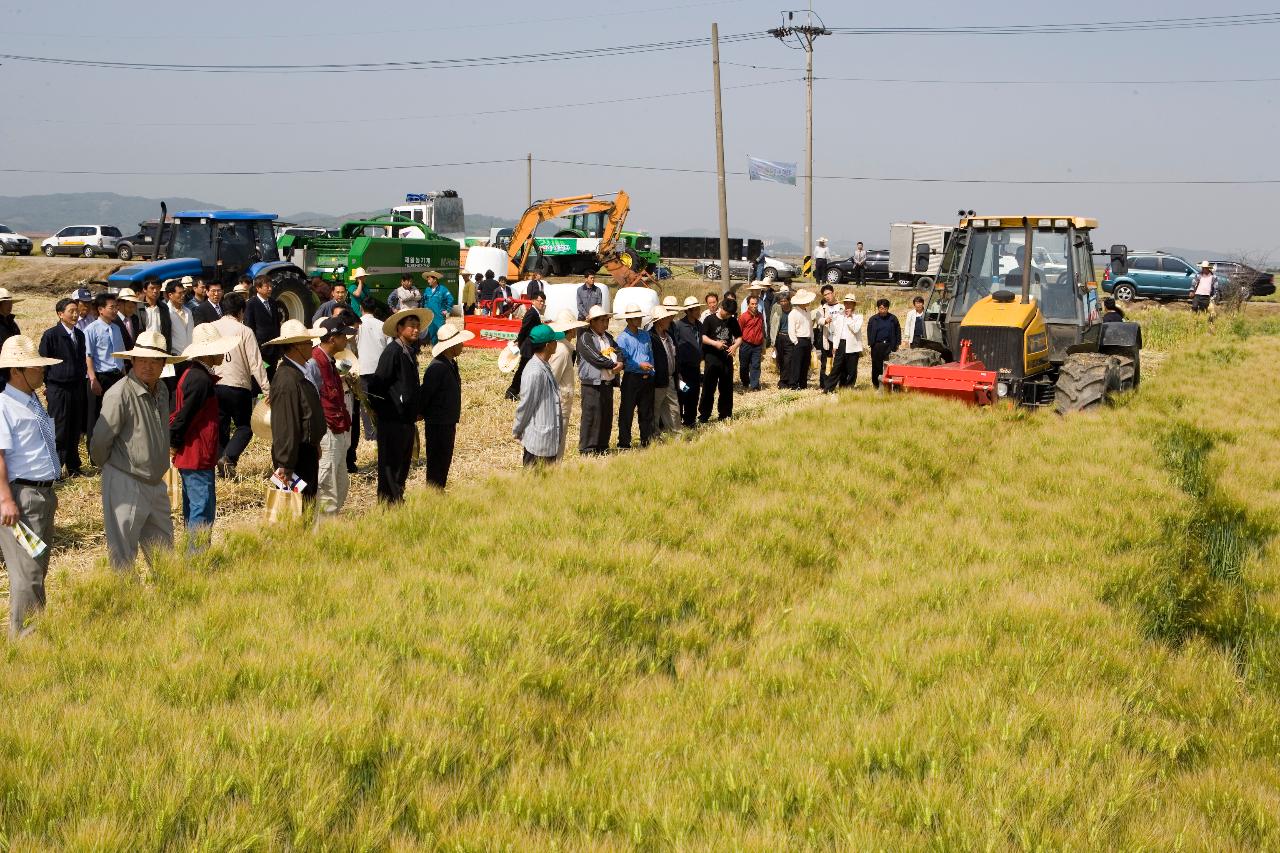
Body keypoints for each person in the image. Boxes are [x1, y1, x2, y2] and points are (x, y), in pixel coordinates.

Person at [89, 330, 175, 571]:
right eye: (143, 360)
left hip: (156, 482)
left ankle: (170, 604)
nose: (149, 366)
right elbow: (100, 441)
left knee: (164, 554)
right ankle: (126, 605)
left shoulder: (162, 390)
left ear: (164, 364)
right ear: (132, 361)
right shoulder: (119, 394)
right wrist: (111, 468)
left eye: (155, 361)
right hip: (126, 480)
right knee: (123, 555)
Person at [0, 336, 63, 636]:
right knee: (27, 573)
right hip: (21, 497)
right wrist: (5, 500)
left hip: (42, 495)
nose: (41, 372)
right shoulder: (4, 405)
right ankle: (25, 639)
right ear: (16, 371)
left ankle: (35, 630)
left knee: (36, 568)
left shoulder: (33, 401)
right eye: (35, 368)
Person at [170, 324, 235, 546]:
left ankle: (195, 555)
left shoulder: (194, 374)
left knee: (195, 507)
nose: (223, 353)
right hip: (196, 453)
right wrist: (174, 443)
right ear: (208, 351)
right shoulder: (199, 379)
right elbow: (183, 418)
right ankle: (197, 559)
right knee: (202, 508)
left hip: (195, 452)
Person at [369, 307, 433, 503]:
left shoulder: (409, 352)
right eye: (411, 326)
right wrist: (390, 410)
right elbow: (376, 387)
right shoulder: (393, 352)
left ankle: (397, 498)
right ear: (399, 329)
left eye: (417, 326)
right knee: (391, 464)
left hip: (405, 420)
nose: (416, 330)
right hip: (393, 421)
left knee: (402, 463)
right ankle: (389, 503)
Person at [263, 320, 326, 505]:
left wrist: (314, 443)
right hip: (295, 458)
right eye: (308, 343)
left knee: (305, 503)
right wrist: (285, 465)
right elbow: (286, 425)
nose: (311, 347)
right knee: (296, 506)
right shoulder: (287, 379)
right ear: (297, 346)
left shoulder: (297, 373)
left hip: (304, 452)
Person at [210, 292, 269, 479]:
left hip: (215, 383)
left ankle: (222, 466)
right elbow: (256, 363)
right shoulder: (244, 331)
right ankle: (228, 458)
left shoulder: (211, 328)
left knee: (221, 426)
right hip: (238, 385)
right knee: (245, 426)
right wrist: (267, 389)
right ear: (241, 311)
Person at [305, 316, 356, 515]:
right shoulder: (314, 363)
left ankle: (329, 527)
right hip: (327, 432)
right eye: (344, 336)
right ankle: (323, 534)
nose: (347, 340)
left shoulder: (327, 361)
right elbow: (309, 399)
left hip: (337, 427)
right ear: (333, 338)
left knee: (339, 484)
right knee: (327, 487)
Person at [419, 323, 474, 488]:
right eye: (459, 342)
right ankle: (433, 494)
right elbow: (425, 395)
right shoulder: (437, 368)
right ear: (451, 347)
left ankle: (438, 491)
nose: (462, 345)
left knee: (444, 461)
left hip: (447, 421)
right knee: (437, 462)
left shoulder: (450, 363)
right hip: (438, 423)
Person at [39, 298, 88, 477]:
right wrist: (48, 385)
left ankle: (74, 467)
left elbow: (82, 361)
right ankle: (55, 469)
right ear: (61, 314)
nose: (75, 314)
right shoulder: (51, 335)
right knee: (59, 428)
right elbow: (43, 363)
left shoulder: (80, 335)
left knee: (75, 427)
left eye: (76, 311)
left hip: (76, 387)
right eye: (71, 311)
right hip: (57, 388)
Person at [513, 324, 564, 466]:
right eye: (554, 341)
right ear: (548, 345)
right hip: (538, 443)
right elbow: (526, 405)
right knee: (533, 484)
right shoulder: (535, 371)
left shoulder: (543, 365)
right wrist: (517, 429)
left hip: (547, 440)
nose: (556, 343)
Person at [576, 305, 621, 455]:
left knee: (606, 416)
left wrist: (620, 362)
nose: (605, 324)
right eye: (602, 321)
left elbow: (619, 350)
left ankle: (602, 446)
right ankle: (587, 448)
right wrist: (614, 365)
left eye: (606, 320)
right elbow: (595, 357)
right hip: (591, 384)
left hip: (607, 383)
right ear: (593, 322)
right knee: (591, 416)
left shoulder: (608, 337)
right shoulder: (585, 338)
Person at [84, 292, 126, 436]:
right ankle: (93, 452)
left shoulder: (116, 329)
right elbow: (88, 356)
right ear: (101, 310)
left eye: (116, 307)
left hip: (117, 377)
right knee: (96, 415)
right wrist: (93, 379)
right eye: (111, 307)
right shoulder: (91, 329)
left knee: (115, 413)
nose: (115, 310)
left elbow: (120, 354)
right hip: (100, 377)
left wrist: (124, 374)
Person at [615, 305, 656, 450]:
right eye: (635, 317)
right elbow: (623, 361)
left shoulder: (645, 335)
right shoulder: (622, 339)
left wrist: (651, 371)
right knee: (627, 412)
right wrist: (640, 366)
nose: (639, 319)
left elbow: (650, 354)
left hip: (646, 377)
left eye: (639, 317)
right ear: (628, 319)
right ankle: (624, 443)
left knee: (646, 411)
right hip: (631, 378)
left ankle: (646, 440)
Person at [354, 297, 389, 466]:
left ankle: (369, 433)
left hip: (363, 367)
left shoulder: (357, 325)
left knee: (364, 403)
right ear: (374, 309)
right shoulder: (382, 325)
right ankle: (381, 430)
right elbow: (389, 346)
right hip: (379, 368)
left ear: (361, 308)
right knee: (380, 400)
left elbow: (353, 345)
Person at [548, 310, 586, 459]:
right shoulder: (562, 351)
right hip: (559, 404)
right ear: (570, 329)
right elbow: (552, 379)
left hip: (561, 402)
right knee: (557, 445)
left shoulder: (564, 348)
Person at [699, 296, 741, 422]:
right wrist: (715, 343)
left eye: (730, 315)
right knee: (708, 388)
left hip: (726, 358)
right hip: (712, 358)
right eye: (726, 313)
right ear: (721, 307)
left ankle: (725, 414)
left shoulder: (732, 321)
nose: (728, 316)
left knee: (726, 388)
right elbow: (703, 337)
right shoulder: (709, 319)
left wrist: (735, 346)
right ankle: (704, 415)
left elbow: (739, 337)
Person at [505, 290, 546, 401]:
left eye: (543, 301)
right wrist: (520, 342)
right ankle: (512, 391)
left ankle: (518, 391)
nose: (542, 303)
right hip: (528, 346)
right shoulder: (531, 313)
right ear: (533, 301)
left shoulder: (536, 312)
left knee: (525, 370)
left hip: (531, 346)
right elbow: (524, 329)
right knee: (522, 370)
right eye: (540, 301)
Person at [649, 303, 681, 435]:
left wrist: (677, 374)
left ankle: (676, 434)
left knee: (674, 408)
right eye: (666, 318)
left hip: (670, 378)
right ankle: (655, 435)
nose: (669, 321)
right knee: (655, 410)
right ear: (659, 321)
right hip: (657, 380)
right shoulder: (650, 337)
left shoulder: (668, 336)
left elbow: (674, 356)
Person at [672, 297, 704, 427]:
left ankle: (691, 420)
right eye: (695, 309)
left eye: (698, 309)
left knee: (694, 394)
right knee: (683, 393)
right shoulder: (679, 326)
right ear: (688, 311)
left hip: (695, 368)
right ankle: (679, 421)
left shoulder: (699, 325)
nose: (698, 311)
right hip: (683, 369)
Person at [243, 274, 283, 376]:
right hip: (261, 349)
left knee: (272, 374)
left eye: (271, 286)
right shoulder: (251, 304)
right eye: (267, 286)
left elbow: (276, 324)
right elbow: (250, 326)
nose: (270, 289)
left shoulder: (273, 302)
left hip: (274, 347)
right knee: (262, 374)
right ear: (258, 288)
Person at [826, 293, 864, 390]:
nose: (848, 305)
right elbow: (836, 332)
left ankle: (848, 388)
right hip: (841, 343)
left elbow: (855, 329)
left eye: (850, 303)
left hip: (853, 345)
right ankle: (829, 388)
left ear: (854, 305)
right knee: (837, 367)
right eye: (846, 303)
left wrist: (850, 317)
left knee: (851, 368)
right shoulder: (839, 316)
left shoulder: (858, 317)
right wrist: (835, 346)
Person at [866, 298, 902, 389]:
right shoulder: (873, 319)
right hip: (877, 346)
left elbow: (898, 331)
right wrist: (871, 343)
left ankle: (889, 384)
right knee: (876, 366)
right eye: (881, 308)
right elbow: (869, 331)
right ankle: (876, 384)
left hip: (889, 346)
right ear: (878, 308)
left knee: (889, 366)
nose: (883, 310)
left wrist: (897, 344)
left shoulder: (893, 318)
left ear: (888, 308)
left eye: (885, 308)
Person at [787, 290, 816, 390]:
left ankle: (803, 384)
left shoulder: (807, 311)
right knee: (796, 364)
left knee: (805, 363)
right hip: (799, 340)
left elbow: (810, 326)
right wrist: (795, 342)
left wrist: (811, 340)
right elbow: (791, 330)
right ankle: (793, 385)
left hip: (807, 340)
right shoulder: (793, 313)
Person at [816, 284, 842, 389]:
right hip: (827, 339)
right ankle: (824, 384)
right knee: (826, 362)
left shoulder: (841, 306)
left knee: (838, 363)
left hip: (840, 339)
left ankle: (837, 383)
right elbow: (818, 319)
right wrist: (824, 320)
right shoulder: (822, 308)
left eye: (828, 293)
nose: (827, 296)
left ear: (833, 293)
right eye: (824, 295)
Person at [738, 293, 765, 392]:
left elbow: (762, 329)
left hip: (757, 345)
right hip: (745, 344)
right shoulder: (743, 317)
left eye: (756, 304)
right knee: (744, 366)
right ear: (748, 304)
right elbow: (738, 332)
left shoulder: (760, 316)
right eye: (752, 304)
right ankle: (745, 382)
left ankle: (754, 385)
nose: (754, 306)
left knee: (756, 365)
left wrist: (763, 343)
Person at [768, 289, 793, 389]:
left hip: (790, 337)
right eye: (781, 301)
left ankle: (784, 381)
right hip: (780, 337)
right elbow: (772, 323)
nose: (783, 303)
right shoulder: (776, 308)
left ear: (789, 301)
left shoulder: (793, 309)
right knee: (781, 360)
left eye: (785, 301)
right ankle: (783, 380)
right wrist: (773, 340)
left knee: (788, 360)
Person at [421, 270, 454, 345]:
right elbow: (424, 301)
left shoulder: (443, 289)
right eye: (427, 279)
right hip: (430, 316)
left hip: (439, 316)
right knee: (432, 334)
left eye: (429, 279)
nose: (428, 281)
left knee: (441, 334)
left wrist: (447, 310)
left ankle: (443, 350)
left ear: (435, 279)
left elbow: (450, 299)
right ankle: (435, 350)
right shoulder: (427, 289)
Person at [164, 279, 195, 358]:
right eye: (179, 293)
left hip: (190, 355)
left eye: (183, 292)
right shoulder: (165, 312)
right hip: (174, 356)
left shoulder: (188, 311)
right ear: (170, 295)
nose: (183, 295)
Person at [139, 278, 172, 345]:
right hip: (143, 348)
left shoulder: (164, 308)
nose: (155, 291)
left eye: (158, 288)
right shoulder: (138, 308)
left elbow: (167, 331)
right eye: (152, 288)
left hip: (160, 348)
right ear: (145, 290)